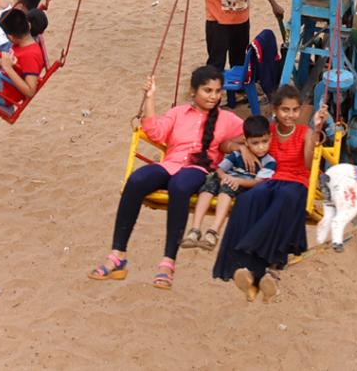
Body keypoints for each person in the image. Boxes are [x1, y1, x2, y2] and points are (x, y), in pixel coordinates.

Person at [89, 66, 247, 289]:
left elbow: (257, 133)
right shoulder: (178, 113)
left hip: (198, 169)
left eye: (217, 91)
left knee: (180, 187)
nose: (214, 97)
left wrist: (239, 147)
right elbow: (155, 132)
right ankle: (117, 254)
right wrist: (150, 98)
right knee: (135, 181)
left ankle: (167, 263)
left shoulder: (227, 119)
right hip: (170, 164)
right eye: (207, 90)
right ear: (193, 91)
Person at [213, 85, 328, 301]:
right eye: (285, 110)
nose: (290, 115)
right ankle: (251, 273)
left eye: (295, 110)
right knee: (249, 199)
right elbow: (227, 144)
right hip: (270, 180)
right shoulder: (268, 131)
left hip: (296, 182)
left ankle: (255, 259)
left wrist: (317, 130)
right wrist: (244, 149)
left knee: (285, 199)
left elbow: (307, 163)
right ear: (275, 110)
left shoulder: (305, 132)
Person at [181, 114, 276, 251]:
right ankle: (195, 229)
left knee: (227, 189)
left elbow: (258, 182)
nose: (261, 147)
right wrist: (223, 175)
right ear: (246, 141)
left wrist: (237, 180)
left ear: (270, 138)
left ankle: (213, 231)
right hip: (226, 177)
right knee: (208, 185)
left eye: (264, 142)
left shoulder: (269, 161)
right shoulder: (238, 154)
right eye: (255, 143)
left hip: (242, 183)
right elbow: (219, 168)